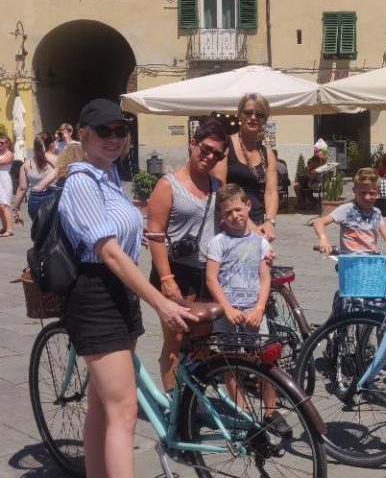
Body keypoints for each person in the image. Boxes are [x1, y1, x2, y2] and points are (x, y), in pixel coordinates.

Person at [58, 99, 195, 478]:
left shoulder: (109, 175)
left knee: (103, 404)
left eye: (120, 130)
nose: (114, 137)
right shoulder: (82, 181)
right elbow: (109, 253)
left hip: (120, 294)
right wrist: (161, 303)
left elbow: (121, 239)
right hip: (96, 295)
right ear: (84, 134)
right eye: (104, 130)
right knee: (124, 411)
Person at [145, 117, 227, 391]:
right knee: (176, 338)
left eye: (217, 154)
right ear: (193, 144)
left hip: (207, 273)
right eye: (206, 149)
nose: (210, 156)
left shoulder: (216, 186)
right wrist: (166, 279)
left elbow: (232, 217)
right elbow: (155, 234)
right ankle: (173, 401)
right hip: (176, 271)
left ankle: (193, 398)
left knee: (202, 340)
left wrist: (259, 234)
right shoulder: (168, 185)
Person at [204, 183, 291, 436]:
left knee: (266, 361)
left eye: (238, 209)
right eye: (228, 212)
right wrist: (227, 308)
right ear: (221, 216)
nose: (234, 215)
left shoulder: (260, 243)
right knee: (230, 362)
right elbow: (211, 278)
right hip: (228, 313)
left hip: (254, 311)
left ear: (248, 206)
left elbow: (265, 278)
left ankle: (270, 412)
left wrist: (260, 308)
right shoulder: (218, 243)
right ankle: (241, 413)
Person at [213, 94, 278, 241]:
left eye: (259, 114)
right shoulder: (226, 146)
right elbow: (220, 188)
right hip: (230, 221)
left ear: (264, 120)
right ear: (239, 115)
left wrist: (269, 221)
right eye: (248, 113)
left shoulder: (267, 153)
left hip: (257, 221)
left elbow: (271, 192)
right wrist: (247, 223)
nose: (253, 117)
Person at [313, 167, 386, 256]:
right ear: (354, 191)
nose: (367, 197)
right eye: (363, 192)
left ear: (378, 193)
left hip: (370, 259)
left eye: (372, 193)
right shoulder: (347, 209)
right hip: (351, 260)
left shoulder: (376, 213)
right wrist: (323, 238)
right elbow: (319, 222)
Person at [12, 131, 58, 222]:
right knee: (54, 229)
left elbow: (22, 189)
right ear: (51, 145)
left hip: (34, 200)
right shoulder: (57, 160)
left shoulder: (27, 164)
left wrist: (16, 209)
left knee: (39, 228)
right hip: (53, 198)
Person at [0, 134, 14, 236]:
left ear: (7, 143)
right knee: (0, 206)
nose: (0, 145)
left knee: (5, 205)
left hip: (4, 181)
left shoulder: (10, 154)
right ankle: (4, 227)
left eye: (2, 143)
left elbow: (2, 162)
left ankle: (10, 229)